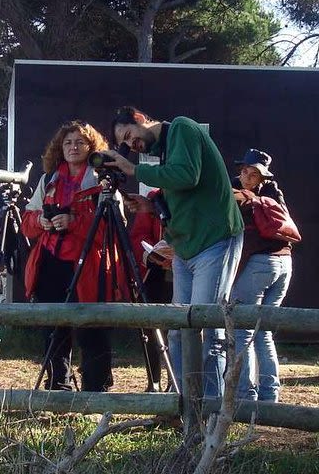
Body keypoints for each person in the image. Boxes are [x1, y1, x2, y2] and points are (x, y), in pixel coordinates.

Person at [104, 106, 244, 398]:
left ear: (141, 119)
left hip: (215, 241)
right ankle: (183, 405)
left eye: (130, 136)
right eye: (127, 145)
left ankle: (211, 411)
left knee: (206, 329)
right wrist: (149, 205)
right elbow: (183, 189)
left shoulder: (182, 127)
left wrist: (132, 168)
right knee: (180, 331)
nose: (133, 146)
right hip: (185, 249)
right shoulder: (167, 151)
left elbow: (186, 176)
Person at [22, 120, 122, 392]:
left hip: (91, 264)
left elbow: (115, 226)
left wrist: (74, 222)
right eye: (68, 142)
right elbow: (26, 221)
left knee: (93, 326)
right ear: (60, 147)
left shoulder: (103, 180)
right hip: (51, 263)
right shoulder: (48, 181)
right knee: (53, 328)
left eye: (80, 142)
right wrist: (42, 220)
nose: (73, 147)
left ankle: (95, 390)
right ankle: (57, 385)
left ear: (92, 147)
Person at [230, 149, 293, 402]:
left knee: (244, 330)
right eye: (244, 170)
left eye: (253, 173)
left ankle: (247, 395)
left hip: (259, 265)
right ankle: (270, 394)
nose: (246, 176)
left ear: (262, 177)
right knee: (263, 331)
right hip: (284, 264)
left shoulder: (250, 198)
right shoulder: (275, 196)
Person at [129, 188, 175, 391]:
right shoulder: (153, 198)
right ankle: (153, 382)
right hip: (155, 273)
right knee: (150, 328)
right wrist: (153, 255)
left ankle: (176, 382)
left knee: (178, 331)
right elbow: (139, 234)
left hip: (185, 270)